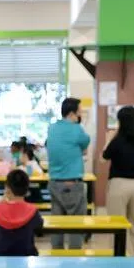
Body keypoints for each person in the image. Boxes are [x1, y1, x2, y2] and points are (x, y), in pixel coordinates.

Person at [46, 97, 90, 249]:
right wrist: (80, 124)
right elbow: (85, 145)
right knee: (76, 225)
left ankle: (56, 254)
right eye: (79, 111)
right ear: (72, 113)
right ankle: (75, 259)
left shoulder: (51, 128)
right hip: (73, 183)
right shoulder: (77, 129)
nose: (81, 114)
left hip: (54, 182)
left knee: (57, 223)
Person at [102, 105, 134, 254]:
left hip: (118, 185)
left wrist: (108, 139)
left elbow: (104, 157)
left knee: (116, 224)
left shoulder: (117, 141)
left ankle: (120, 258)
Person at [0, 170, 43, 257]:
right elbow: (39, 227)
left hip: (1, 255)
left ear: (7, 188)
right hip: (26, 254)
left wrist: (0, 203)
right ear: (27, 188)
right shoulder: (32, 210)